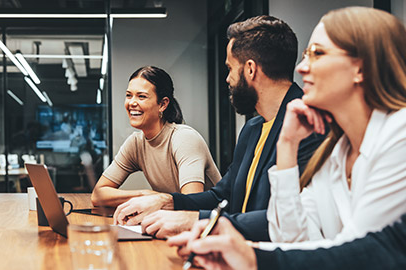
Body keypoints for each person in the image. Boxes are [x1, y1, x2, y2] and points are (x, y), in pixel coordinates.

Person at [112, 16, 326, 240]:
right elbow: (222, 196)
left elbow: (286, 220)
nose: (227, 79)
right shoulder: (252, 129)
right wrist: (167, 201)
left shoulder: (309, 128)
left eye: (230, 68)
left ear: (250, 70)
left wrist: (194, 220)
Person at [259, 6, 406, 250]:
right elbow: (290, 239)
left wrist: (248, 253)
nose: (301, 67)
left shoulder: (400, 135)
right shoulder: (336, 153)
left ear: (361, 68)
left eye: (317, 53)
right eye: (306, 54)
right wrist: (287, 144)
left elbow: (355, 254)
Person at [91, 66, 221, 207]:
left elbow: (191, 205)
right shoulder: (136, 143)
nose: (132, 103)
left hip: (212, 224)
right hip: (176, 222)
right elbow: (98, 195)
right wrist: (145, 195)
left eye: (142, 96)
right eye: (129, 95)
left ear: (163, 104)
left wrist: (156, 199)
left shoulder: (184, 138)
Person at [168, 214, 406, 270]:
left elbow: (370, 251)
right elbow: (292, 232)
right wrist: (252, 256)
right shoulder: (334, 146)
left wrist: (254, 255)